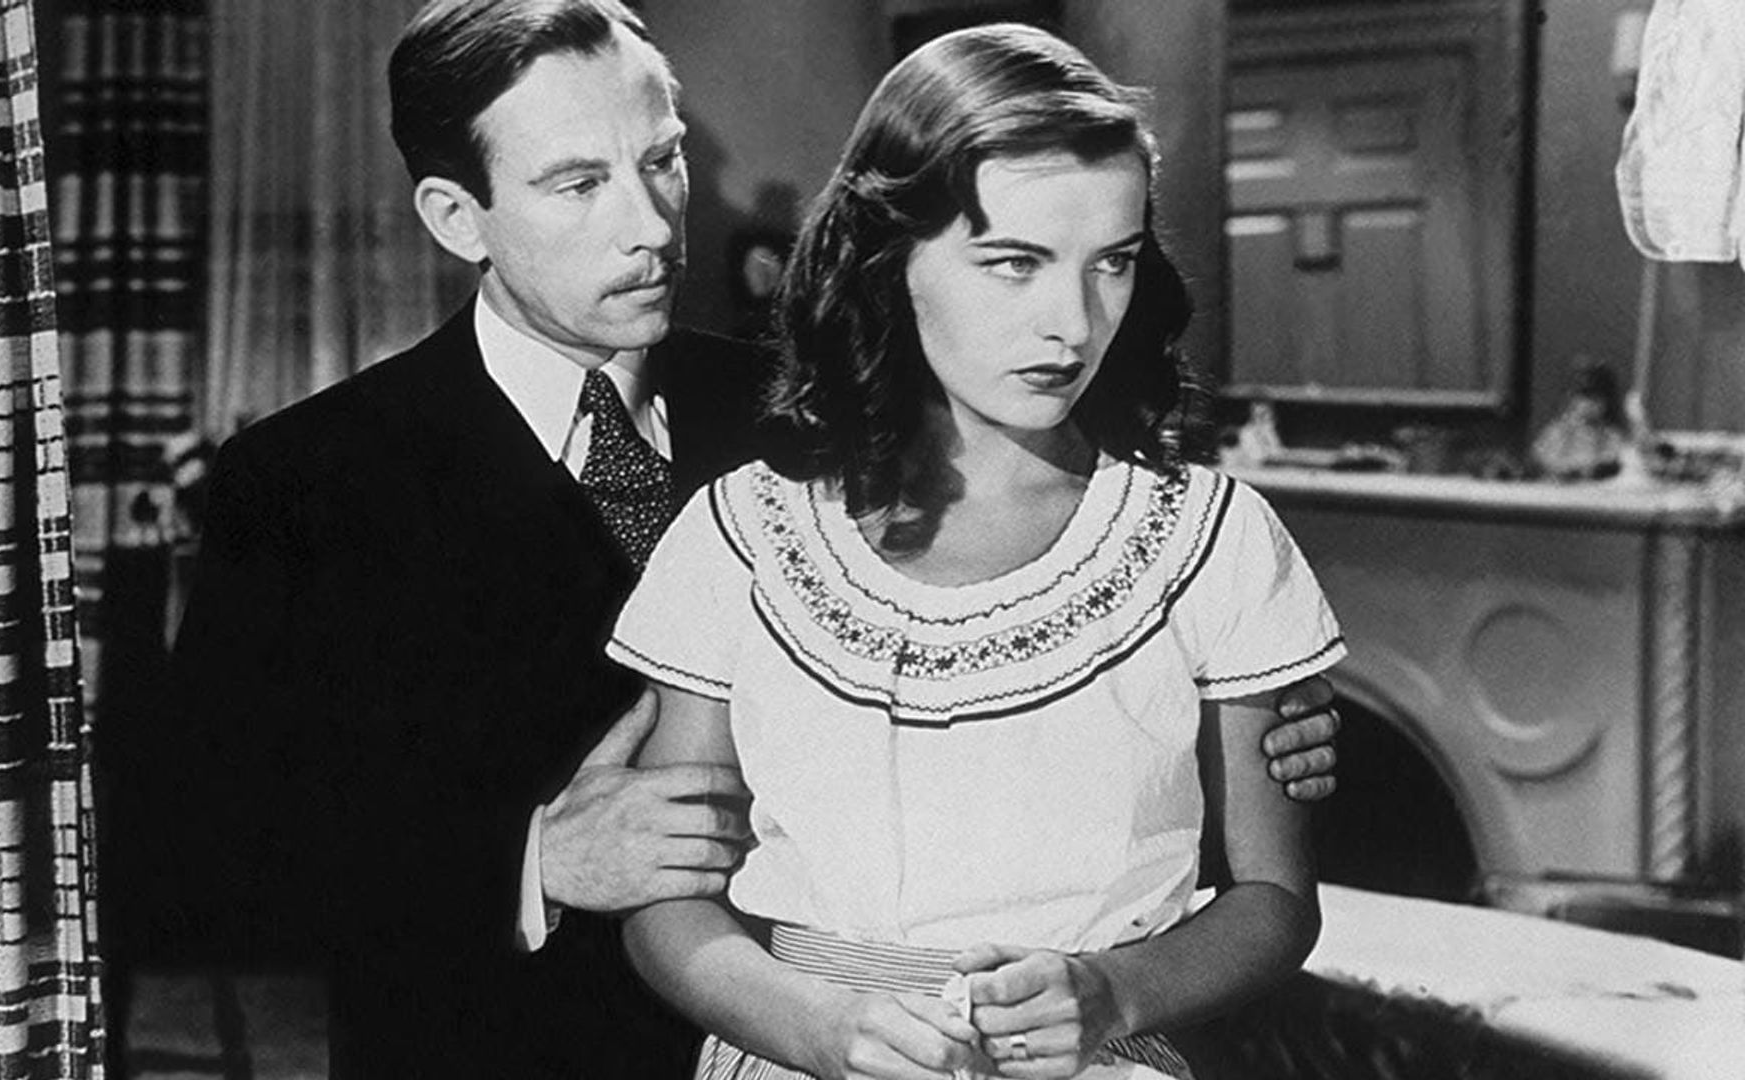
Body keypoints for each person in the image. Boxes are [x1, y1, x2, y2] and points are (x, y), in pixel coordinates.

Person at [156, 3, 1342, 1076]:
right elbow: (193, 867)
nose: (651, 224)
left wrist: (1227, 724)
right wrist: (528, 860)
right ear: (457, 216)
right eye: (579, 183)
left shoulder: (817, 414)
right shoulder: (308, 482)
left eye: (662, 160)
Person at [613, 24, 1342, 1080]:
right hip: (796, 1052)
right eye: (1013, 264)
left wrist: (1115, 991)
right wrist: (814, 1027)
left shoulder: (1209, 539)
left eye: (1112, 263)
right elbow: (666, 904)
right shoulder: (744, 536)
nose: (1071, 324)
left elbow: (1275, 903)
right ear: (890, 260)